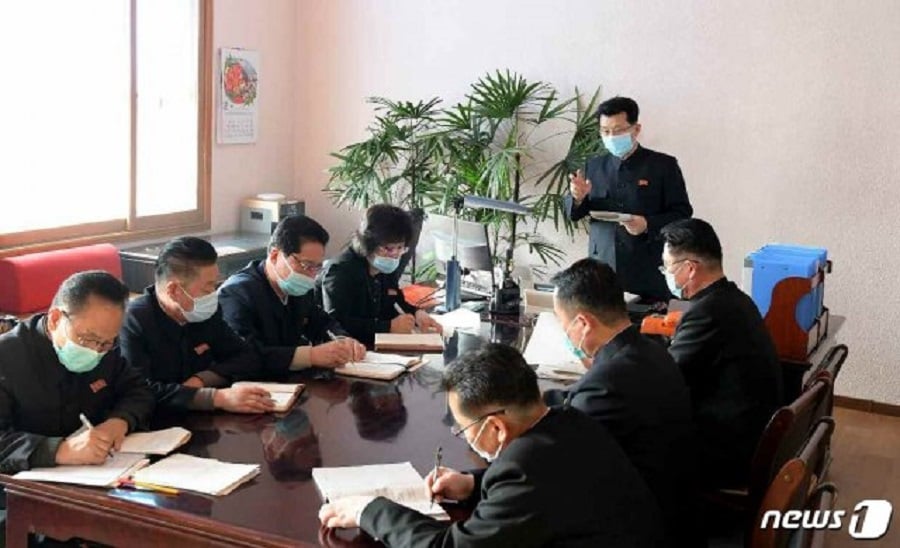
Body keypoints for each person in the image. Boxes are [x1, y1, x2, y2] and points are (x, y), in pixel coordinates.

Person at [319, 343, 664, 547]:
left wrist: (370, 511)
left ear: (496, 426)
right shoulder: (571, 421)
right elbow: (551, 485)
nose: (464, 435)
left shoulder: (525, 469)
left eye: (464, 428)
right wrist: (471, 484)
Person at [543, 258, 700, 547]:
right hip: (676, 515)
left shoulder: (606, 384)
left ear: (583, 324)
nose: (565, 333)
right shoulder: (650, 351)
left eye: (563, 324)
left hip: (636, 531)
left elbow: (557, 465)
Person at [661, 218, 783, 488]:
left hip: (730, 451)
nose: (666, 274)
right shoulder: (735, 299)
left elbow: (667, 379)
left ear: (690, 268)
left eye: (667, 267)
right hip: (752, 433)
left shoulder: (707, 313)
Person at [0, 271, 154, 474]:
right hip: (22, 482)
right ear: (55, 319)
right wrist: (59, 450)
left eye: (107, 342)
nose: (96, 351)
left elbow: (138, 390)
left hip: (100, 472)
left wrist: (120, 421)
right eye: (88, 339)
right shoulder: (7, 356)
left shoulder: (105, 348)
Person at [120, 237, 274, 414]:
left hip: (201, 416)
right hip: (157, 421)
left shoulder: (205, 311)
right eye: (207, 288)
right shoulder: (134, 321)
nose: (213, 294)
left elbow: (247, 356)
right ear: (174, 291)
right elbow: (141, 391)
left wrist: (201, 380)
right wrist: (216, 398)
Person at [565, 96, 692, 303]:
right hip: (602, 266)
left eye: (618, 131)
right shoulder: (593, 166)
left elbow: (682, 214)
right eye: (605, 131)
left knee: (647, 321)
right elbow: (574, 214)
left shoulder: (663, 165)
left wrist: (647, 224)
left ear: (636, 129)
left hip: (647, 267)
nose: (611, 137)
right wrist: (577, 198)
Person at [218, 215, 366, 375]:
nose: (312, 275)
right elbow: (246, 355)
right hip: (255, 383)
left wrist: (342, 340)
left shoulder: (298, 287)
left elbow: (321, 321)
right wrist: (310, 356)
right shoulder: (237, 293)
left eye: (317, 267)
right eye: (306, 265)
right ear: (275, 255)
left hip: (291, 380)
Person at [319, 204, 441, 348]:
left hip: (376, 346)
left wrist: (417, 314)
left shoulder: (385, 268)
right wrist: (387, 327)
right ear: (368, 243)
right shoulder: (340, 271)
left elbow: (395, 302)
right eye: (388, 248)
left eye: (400, 248)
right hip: (347, 349)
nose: (395, 255)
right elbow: (335, 324)